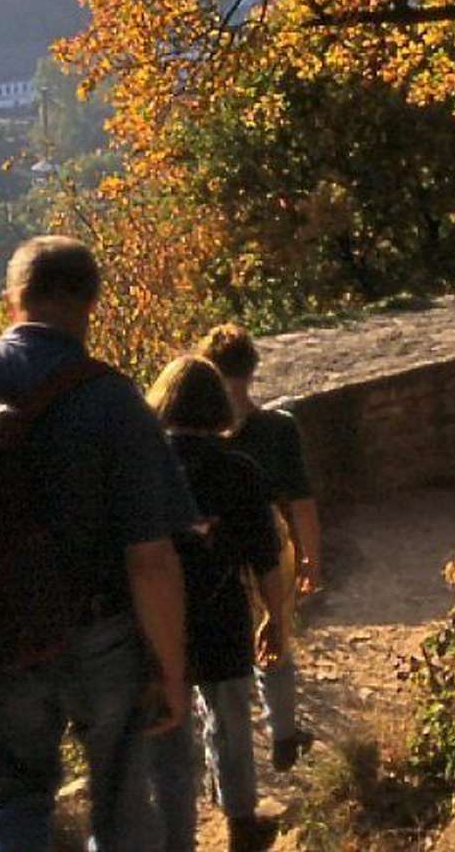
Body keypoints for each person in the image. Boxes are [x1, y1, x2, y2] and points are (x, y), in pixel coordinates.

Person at [0, 236, 197, 851]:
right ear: (90, 302)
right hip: (101, 636)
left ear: (12, 298)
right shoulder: (114, 401)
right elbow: (151, 560)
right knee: (122, 801)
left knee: (14, 800)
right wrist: (172, 672)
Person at [145, 355, 288, 852]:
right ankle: (241, 822)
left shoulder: (144, 470)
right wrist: (276, 618)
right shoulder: (239, 471)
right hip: (222, 611)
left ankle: (173, 834)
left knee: (168, 733)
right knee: (230, 720)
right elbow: (266, 558)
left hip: (159, 616)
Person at [197, 324, 316, 773]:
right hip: (270, 542)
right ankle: (283, 733)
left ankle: (224, 770)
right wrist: (310, 559)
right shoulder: (277, 428)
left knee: (220, 667)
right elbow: (301, 501)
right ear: (251, 370)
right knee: (276, 641)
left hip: (212, 553)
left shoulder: (188, 439)